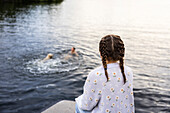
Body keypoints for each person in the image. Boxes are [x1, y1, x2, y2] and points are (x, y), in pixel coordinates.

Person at [75, 35, 135, 113]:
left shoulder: (95, 74)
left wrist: (79, 100)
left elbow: (86, 106)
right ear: (121, 52)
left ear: (101, 53)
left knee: (78, 104)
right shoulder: (128, 71)